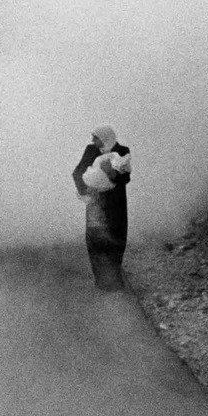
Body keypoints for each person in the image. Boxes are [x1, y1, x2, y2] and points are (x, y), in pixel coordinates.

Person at [71, 124, 132, 291]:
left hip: (116, 203)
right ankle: (101, 283)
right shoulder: (91, 151)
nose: (92, 141)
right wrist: (85, 190)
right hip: (95, 202)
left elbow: (126, 178)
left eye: (95, 138)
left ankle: (115, 281)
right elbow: (77, 172)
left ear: (105, 138)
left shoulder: (122, 150)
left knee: (117, 237)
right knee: (95, 240)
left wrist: (112, 174)